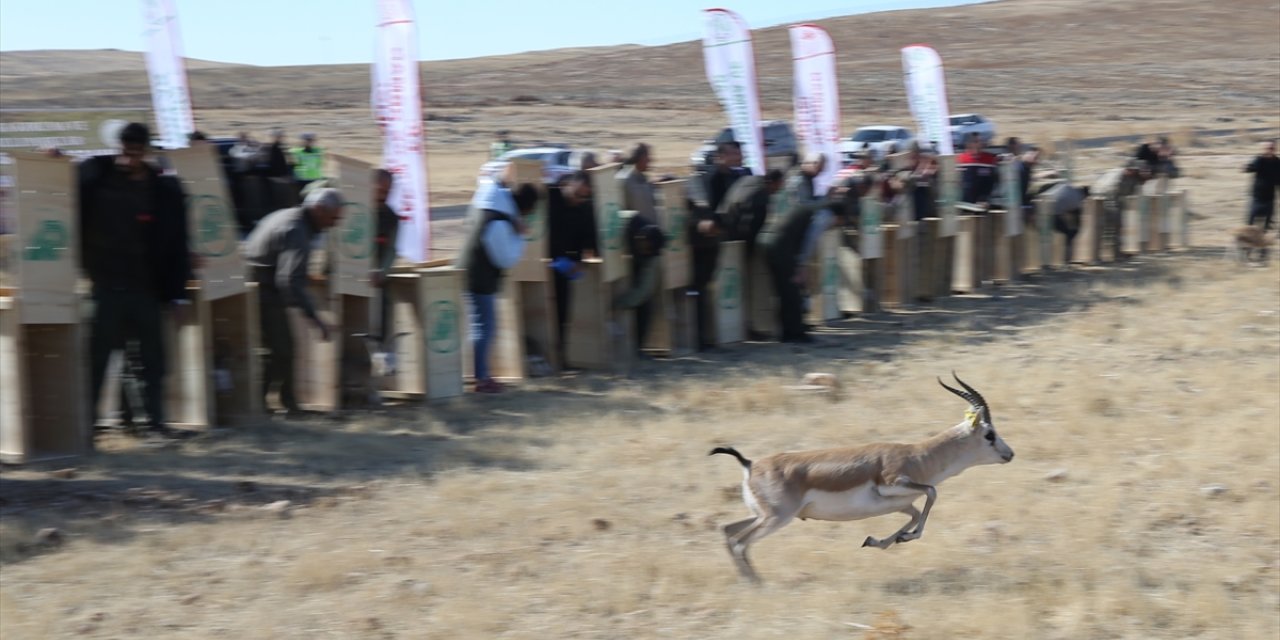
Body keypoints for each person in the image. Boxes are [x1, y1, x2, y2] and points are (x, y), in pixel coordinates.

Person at [79, 122, 193, 439]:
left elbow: (177, 245)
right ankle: (85, 427)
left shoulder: (165, 191)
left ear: (146, 151)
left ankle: (152, 424)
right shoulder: (95, 174)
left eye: (137, 152)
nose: (130, 159)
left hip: (147, 290)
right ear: (117, 147)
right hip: (104, 288)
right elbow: (57, 189)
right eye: (125, 151)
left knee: (151, 363)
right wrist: (52, 158)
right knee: (97, 361)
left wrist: (179, 295)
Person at [243, 188, 345, 415]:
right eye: (333, 217)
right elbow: (288, 280)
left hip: (255, 286)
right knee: (281, 349)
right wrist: (315, 318)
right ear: (319, 210)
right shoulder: (297, 229)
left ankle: (275, 401)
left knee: (277, 349)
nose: (334, 223)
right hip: (263, 290)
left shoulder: (289, 216)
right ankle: (269, 404)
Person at [458, 179, 537, 393]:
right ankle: (481, 378)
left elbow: (491, 182)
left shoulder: (489, 201)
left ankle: (480, 375)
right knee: (484, 327)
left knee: (480, 326)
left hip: (469, 270)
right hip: (480, 277)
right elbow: (507, 260)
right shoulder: (499, 223)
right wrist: (521, 236)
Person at [758, 153, 833, 344]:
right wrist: (801, 265)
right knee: (791, 290)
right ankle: (795, 333)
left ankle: (788, 331)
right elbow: (807, 240)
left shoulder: (795, 196)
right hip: (779, 244)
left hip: (768, 239)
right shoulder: (820, 217)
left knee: (784, 290)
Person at [717, 169, 786, 341]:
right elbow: (750, 226)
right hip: (737, 242)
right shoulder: (761, 197)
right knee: (742, 288)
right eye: (780, 185)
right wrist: (750, 251)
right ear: (775, 183)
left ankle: (738, 328)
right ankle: (745, 328)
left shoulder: (748, 179)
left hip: (721, 233)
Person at [547, 171, 597, 367]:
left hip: (568, 265)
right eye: (578, 194)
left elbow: (588, 236)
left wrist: (582, 258)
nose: (580, 199)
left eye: (584, 196)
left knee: (563, 314)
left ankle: (560, 358)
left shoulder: (584, 206)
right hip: (545, 263)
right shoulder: (550, 197)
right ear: (568, 185)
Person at [615, 143, 662, 354]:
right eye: (648, 157)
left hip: (650, 245)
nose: (650, 161)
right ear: (640, 158)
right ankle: (616, 310)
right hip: (634, 248)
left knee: (647, 298)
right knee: (641, 294)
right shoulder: (623, 180)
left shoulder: (644, 181)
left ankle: (640, 346)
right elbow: (618, 213)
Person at [1091, 159, 1151, 259]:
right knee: (1111, 225)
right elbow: (1110, 193)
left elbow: (1130, 191)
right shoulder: (1119, 177)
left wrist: (1143, 179)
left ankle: (1115, 253)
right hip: (1104, 198)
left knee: (1115, 226)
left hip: (1113, 198)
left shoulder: (1131, 177)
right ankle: (1106, 254)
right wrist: (1114, 211)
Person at [372, 169, 400, 341]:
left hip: (378, 284)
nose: (384, 196)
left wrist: (382, 271)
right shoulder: (353, 211)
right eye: (381, 190)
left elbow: (392, 250)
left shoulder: (391, 218)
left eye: (388, 191)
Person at [1245, 140, 1280, 231]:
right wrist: (1248, 167)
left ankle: (1263, 239)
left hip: (1270, 196)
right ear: (1264, 149)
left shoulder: (1277, 162)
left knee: (1267, 222)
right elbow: (1251, 168)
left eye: (1272, 148)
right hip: (1258, 195)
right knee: (1251, 220)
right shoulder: (1259, 159)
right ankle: (1248, 238)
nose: (1270, 150)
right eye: (1268, 148)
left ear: (1275, 149)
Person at [957, 133, 999, 206]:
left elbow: (994, 179)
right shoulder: (961, 159)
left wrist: (985, 197)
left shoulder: (990, 158)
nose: (979, 144)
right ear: (968, 144)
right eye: (975, 141)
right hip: (965, 201)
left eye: (980, 141)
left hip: (984, 201)